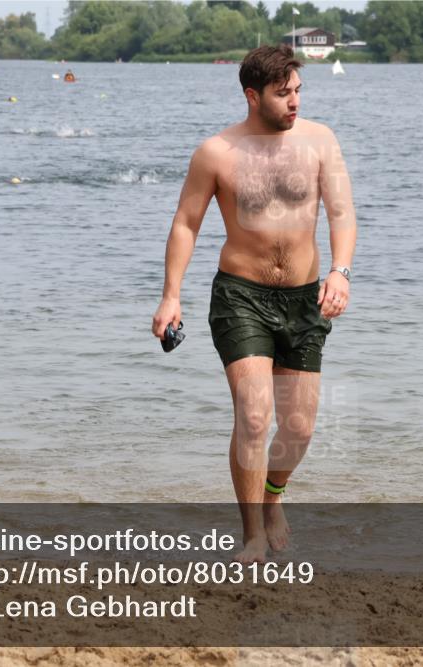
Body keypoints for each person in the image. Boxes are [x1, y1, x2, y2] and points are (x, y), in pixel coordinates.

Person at [151, 44, 357, 564]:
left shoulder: (319, 141)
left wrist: (340, 271)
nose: (294, 103)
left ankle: (273, 496)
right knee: (254, 414)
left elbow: (342, 213)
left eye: (298, 92)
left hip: (304, 298)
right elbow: (186, 223)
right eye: (283, 94)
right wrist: (171, 295)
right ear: (252, 96)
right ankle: (252, 538)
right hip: (240, 297)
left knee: (300, 427)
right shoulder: (217, 153)